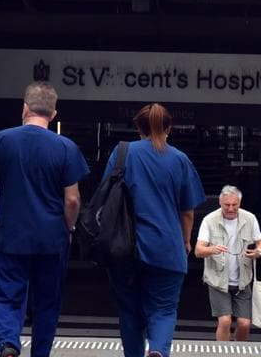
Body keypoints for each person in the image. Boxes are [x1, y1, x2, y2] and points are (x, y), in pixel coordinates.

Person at [0, 82, 89, 357]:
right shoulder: (66, 147)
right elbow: (73, 199)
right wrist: (68, 227)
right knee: (47, 301)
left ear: (24, 108)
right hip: (52, 237)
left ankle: (8, 343)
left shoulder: (2, 140)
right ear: (54, 114)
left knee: (6, 294)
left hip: (11, 233)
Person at [103, 103, 205, 357]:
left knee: (129, 312)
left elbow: (105, 196)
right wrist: (186, 241)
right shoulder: (179, 160)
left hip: (124, 248)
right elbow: (187, 211)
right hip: (167, 249)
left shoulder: (122, 153)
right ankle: (158, 349)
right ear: (169, 128)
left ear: (138, 127)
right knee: (164, 310)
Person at [195, 185, 261, 342]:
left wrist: (258, 252)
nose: (231, 208)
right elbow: (198, 251)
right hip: (217, 280)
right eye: (227, 205)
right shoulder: (209, 220)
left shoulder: (250, 218)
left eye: (235, 205)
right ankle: (223, 352)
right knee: (225, 321)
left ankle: (237, 351)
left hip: (243, 280)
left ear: (240, 203)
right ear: (220, 203)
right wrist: (212, 249)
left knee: (244, 323)